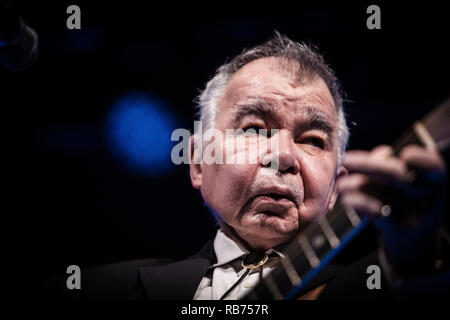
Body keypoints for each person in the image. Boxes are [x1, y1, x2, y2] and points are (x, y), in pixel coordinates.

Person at [45, 32, 449, 300]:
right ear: (199, 163)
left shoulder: (386, 279)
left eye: (313, 140)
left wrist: (413, 260)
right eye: (255, 129)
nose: (285, 157)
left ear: (335, 188)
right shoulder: (103, 288)